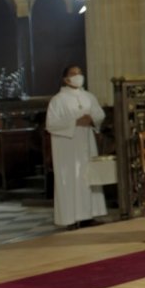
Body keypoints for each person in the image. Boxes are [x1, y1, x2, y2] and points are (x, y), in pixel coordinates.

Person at [46, 65, 107, 230]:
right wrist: (75, 122)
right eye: (74, 74)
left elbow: (100, 114)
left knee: (87, 177)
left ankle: (88, 217)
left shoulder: (89, 96)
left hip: (86, 143)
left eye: (80, 73)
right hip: (67, 147)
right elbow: (51, 124)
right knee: (70, 179)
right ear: (66, 79)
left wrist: (92, 118)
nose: (78, 76)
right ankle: (70, 219)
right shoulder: (57, 100)